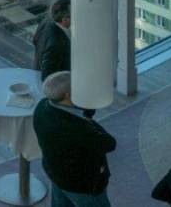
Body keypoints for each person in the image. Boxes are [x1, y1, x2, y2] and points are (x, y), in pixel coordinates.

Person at [33, 72, 117, 206]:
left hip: (56, 173)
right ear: (67, 94)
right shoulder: (76, 129)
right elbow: (109, 143)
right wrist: (88, 121)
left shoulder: (41, 107)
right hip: (83, 185)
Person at [33, 0, 72, 82]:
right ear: (65, 20)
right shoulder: (57, 43)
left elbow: (35, 40)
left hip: (37, 70)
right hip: (59, 86)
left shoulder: (47, 20)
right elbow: (48, 77)